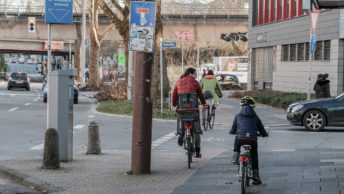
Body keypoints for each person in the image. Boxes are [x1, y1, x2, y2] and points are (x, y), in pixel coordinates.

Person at [229, 96, 268, 185]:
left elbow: (233, 128)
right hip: (252, 139)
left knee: (237, 138)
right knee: (254, 156)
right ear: (253, 107)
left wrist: (232, 132)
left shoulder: (238, 116)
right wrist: (264, 134)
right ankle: (256, 177)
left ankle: (235, 155)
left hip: (240, 139)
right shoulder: (255, 117)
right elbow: (261, 128)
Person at [172, 67, 206, 158]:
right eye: (195, 74)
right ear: (190, 74)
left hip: (182, 110)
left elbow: (174, 94)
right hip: (193, 110)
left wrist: (174, 104)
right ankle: (197, 151)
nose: (195, 76)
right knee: (196, 130)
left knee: (181, 119)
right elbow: (201, 95)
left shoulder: (179, 82)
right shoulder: (195, 83)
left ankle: (181, 134)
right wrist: (204, 103)